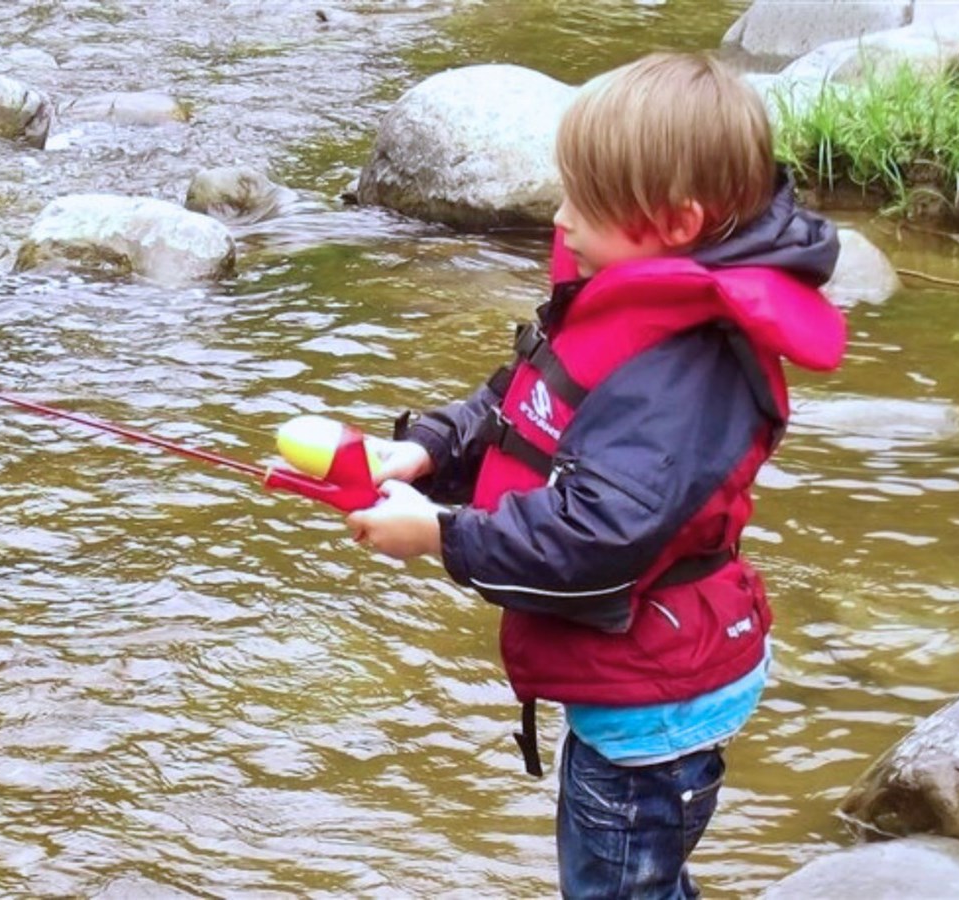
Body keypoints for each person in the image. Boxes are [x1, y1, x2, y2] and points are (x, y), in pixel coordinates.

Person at [344, 52, 846, 898]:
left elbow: (597, 533)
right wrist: (429, 449)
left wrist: (439, 534)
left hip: (654, 707)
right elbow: (522, 403)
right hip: (640, 680)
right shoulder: (624, 304)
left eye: (586, 200)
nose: (563, 216)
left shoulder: (690, 371)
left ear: (677, 222)